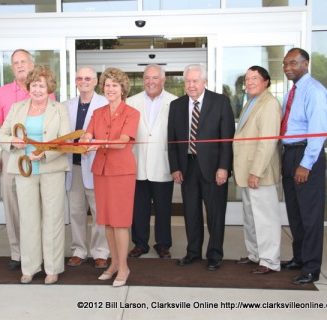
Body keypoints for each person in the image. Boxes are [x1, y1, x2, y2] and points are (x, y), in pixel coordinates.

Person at [0, 65, 70, 285]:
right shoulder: (17, 108)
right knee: (28, 220)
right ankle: (29, 267)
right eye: (34, 85)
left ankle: (52, 268)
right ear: (29, 86)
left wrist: (45, 153)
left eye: (42, 85)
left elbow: (65, 141)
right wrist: (12, 141)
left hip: (51, 170)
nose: (38, 89)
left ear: (50, 88)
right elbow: (1, 134)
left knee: (53, 220)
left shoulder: (59, 109)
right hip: (23, 170)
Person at [167, 64, 234, 271]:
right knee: (191, 212)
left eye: (195, 81)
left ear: (204, 82)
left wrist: (224, 167)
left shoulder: (220, 102)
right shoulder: (177, 105)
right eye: (187, 81)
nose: (191, 85)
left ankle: (214, 254)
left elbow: (226, 140)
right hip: (187, 168)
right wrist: (175, 167)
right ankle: (193, 252)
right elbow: (172, 140)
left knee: (215, 213)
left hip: (214, 169)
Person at [81, 67, 140, 287]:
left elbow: (123, 141)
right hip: (101, 172)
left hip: (122, 173)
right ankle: (113, 264)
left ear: (123, 88)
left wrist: (97, 143)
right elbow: (88, 135)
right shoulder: (98, 113)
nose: (110, 89)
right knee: (105, 221)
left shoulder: (132, 113)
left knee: (120, 222)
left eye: (115, 85)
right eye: (107, 85)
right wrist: (85, 143)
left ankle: (124, 267)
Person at [280, 48, 327, 285]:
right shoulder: (294, 92)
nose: (288, 67)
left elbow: (318, 133)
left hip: (305, 156)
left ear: (306, 63)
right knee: (295, 212)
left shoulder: (315, 92)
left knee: (310, 216)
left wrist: (305, 164)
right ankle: (299, 258)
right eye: (285, 64)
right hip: (290, 154)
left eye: (293, 63)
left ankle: (311, 267)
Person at [233, 66, 282, 274]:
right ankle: (255, 254)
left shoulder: (269, 104)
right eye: (247, 79)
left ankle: (270, 260)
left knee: (265, 219)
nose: (250, 82)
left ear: (266, 81)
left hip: (259, 173)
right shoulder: (250, 102)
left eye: (255, 78)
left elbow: (267, 142)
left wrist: (256, 172)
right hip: (246, 172)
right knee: (251, 217)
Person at [0, 49, 34, 271]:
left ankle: (36, 251)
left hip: (37, 157)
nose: (20, 66)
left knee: (35, 206)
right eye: (15, 63)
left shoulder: (43, 90)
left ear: (31, 64)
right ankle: (17, 253)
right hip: (10, 156)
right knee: (12, 206)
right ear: (12, 68)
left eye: (23, 61)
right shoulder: (4, 92)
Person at [127, 64, 177, 259]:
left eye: (155, 78)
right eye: (147, 78)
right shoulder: (131, 102)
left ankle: (163, 244)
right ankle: (140, 243)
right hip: (138, 163)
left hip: (163, 164)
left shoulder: (175, 102)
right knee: (139, 208)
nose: (150, 82)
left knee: (164, 208)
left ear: (163, 80)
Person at [63, 66, 110, 269]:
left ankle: (100, 251)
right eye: (80, 78)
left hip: (95, 166)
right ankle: (79, 250)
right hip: (72, 167)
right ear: (75, 81)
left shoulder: (106, 103)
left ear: (95, 80)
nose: (84, 81)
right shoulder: (66, 106)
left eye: (88, 78)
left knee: (99, 212)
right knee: (76, 211)